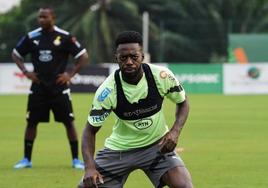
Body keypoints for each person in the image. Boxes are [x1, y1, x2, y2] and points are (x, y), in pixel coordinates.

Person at [78, 31, 193, 188]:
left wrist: (175, 131)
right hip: (119, 151)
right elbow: (89, 131)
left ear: (142, 56)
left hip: (157, 146)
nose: (129, 62)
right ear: (116, 58)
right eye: (123, 58)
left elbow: (183, 101)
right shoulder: (107, 91)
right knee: (87, 186)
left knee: (184, 186)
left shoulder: (161, 76)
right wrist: (89, 168)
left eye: (134, 57)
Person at [12, 6, 88, 169]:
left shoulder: (65, 37)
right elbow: (16, 54)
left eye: (44, 17)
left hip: (59, 88)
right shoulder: (32, 37)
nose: (41, 20)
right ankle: (26, 160)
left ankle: (76, 160)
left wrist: (70, 74)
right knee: (31, 123)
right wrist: (26, 71)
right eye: (39, 17)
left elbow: (83, 56)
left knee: (69, 122)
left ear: (53, 18)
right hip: (38, 87)